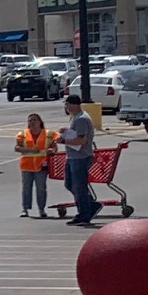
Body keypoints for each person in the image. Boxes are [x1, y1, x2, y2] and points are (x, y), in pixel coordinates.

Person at [57, 95, 100, 226]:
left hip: (80, 157)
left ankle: (84, 214)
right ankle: (91, 205)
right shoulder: (76, 118)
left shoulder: (81, 119)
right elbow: (76, 134)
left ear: (74, 104)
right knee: (70, 184)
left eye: (68, 104)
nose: (66, 107)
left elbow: (81, 140)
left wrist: (63, 140)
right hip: (73, 157)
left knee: (79, 187)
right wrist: (67, 131)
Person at [15, 112, 56, 218]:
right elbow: (17, 148)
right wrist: (29, 150)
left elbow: (54, 146)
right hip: (26, 165)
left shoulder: (48, 134)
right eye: (30, 120)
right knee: (26, 188)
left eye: (34, 120)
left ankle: (41, 209)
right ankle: (25, 209)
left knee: (41, 188)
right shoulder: (23, 134)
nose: (32, 122)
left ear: (40, 122)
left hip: (41, 166)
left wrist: (52, 150)